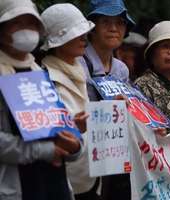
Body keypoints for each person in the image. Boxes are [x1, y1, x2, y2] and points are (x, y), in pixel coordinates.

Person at [0, 0, 81, 200]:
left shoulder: (39, 73)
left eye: (31, 23)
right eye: (16, 23)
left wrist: (74, 140)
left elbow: (58, 130)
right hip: (15, 189)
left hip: (55, 186)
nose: (25, 30)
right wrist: (43, 151)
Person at [78, 0, 135, 199]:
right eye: (105, 22)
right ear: (91, 27)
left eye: (120, 23)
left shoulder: (121, 69)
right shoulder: (78, 62)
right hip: (84, 156)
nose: (113, 28)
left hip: (114, 155)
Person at [40, 3, 96, 200]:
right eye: (76, 33)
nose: (84, 37)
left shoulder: (80, 70)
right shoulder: (43, 77)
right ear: (57, 41)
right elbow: (43, 131)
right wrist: (73, 126)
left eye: (84, 32)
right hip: (64, 180)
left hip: (90, 176)